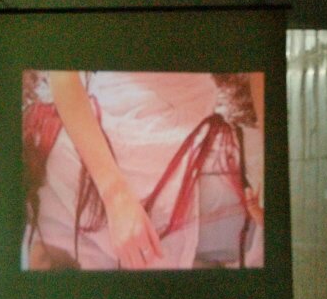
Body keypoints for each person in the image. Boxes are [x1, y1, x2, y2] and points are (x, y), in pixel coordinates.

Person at [22, 70, 264, 271]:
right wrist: (115, 195)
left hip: (197, 124)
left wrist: (271, 159)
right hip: (100, 127)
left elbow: (261, 58)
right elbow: (63, 76)